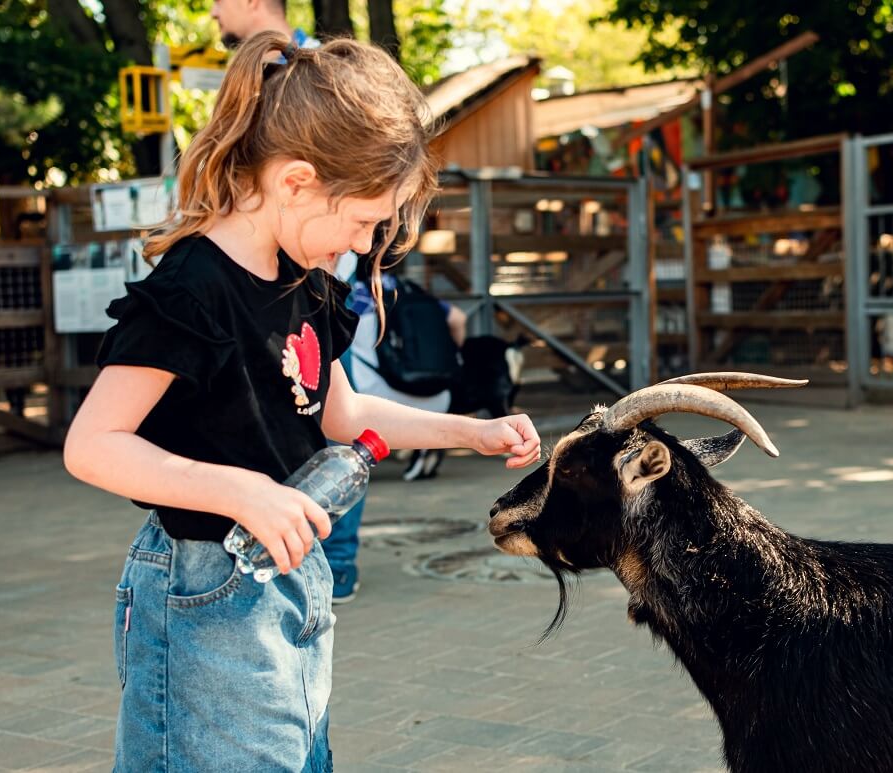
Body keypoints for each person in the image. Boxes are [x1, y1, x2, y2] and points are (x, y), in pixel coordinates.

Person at [62, 32, 541, 771]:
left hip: (290, 575)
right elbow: (92, 444)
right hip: (202, 585)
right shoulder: (193, 290)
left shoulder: (307, 280)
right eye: (360, 222)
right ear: (295, 182)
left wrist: (469, 431)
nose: (361, 244)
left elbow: (342, 417)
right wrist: (238, 489)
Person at [321, 250, 467, 603]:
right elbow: (459, 318)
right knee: (345, 455)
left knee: (341, 453)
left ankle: (336, 560)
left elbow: (349, 415)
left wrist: (474, 434)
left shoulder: (332, 293)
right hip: (401, 389)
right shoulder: (392, 287)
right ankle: (339, 561)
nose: (357, 241)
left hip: (364, 388)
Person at [210, 0, 315, 50]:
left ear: (250, 1)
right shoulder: (243, 77)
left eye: (219, 2)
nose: (213, 13)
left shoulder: (324, 72)